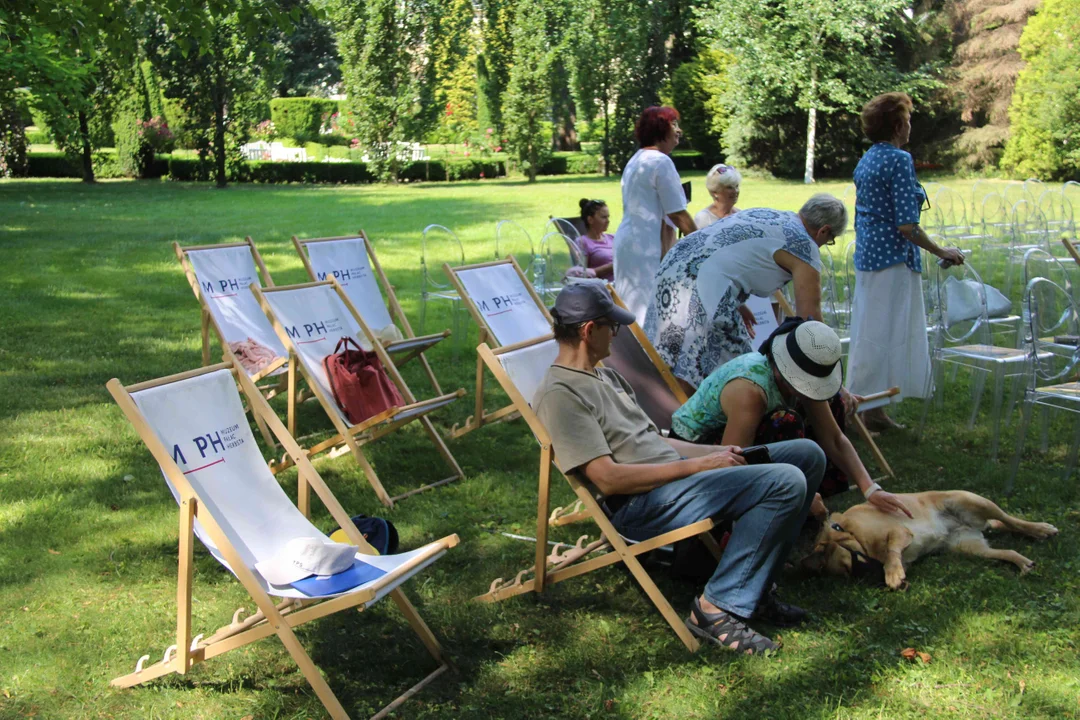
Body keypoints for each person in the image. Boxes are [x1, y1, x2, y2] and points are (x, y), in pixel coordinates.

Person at [533, 283, 826, 655]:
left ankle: (756, 588)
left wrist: (716, 453)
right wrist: (701, 466)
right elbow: (608, 479)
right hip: (641, 504)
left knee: (806, 454)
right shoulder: (561, 395)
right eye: (613, 327)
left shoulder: (604, 375)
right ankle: (715, 609)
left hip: (677, 481)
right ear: (590, 331)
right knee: (784, 481)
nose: (616, 334)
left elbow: (657, 441)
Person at [671, 318, 913, 518]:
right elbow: (731, 463)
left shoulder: (797, 373)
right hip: (698, 450)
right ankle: (780, 505)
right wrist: (797, 494)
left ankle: (801, 496)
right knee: (785, 421)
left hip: (740, 446)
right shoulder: (750, 391)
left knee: (833, 403)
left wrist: (871, 489)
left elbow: (835, 439)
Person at [848, 92, 964, 431]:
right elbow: (907, 225)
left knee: (872, 330)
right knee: (884, 334)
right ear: (899, 125)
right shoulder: (898, 160)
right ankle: (855, 408)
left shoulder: (867, 158)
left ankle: (874, 410)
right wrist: (943, 251)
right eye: (908, 120)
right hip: (892, 258)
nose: (910, 126)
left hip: (870, 255)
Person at [644, 195, 845, 391]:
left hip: (673, 272)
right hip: (703, 290)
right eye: (830, 240)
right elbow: (811, 326)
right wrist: (834, 386)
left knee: (674, 370)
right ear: (824, 231)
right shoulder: (804, 245)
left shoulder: (767, 214)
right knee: (744, 381)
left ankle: (669, 419)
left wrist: (737, 302)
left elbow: (723, 251)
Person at [613, 106, 698, 325]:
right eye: (674, 125)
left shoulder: (636, 160)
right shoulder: (661, 162)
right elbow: (678, 214)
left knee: (631, 312)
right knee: (646, 316)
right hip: (645, 248)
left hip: (630, 243)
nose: (679, 131)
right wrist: (705, 244)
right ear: (660, 129)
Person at [576, 199, 615, 281]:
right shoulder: (583, 242)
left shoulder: (613, 238)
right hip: (601, 289)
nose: (608, 221)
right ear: (590, 220)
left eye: (608, 217)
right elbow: (581, 275)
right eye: (604, 217)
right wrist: (610, 267)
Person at [695, 164, 742, 230]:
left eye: (736, 186)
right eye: (729, 187)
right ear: (715, 192)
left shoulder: (740, 214)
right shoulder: (704, 218)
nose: (735, 191)